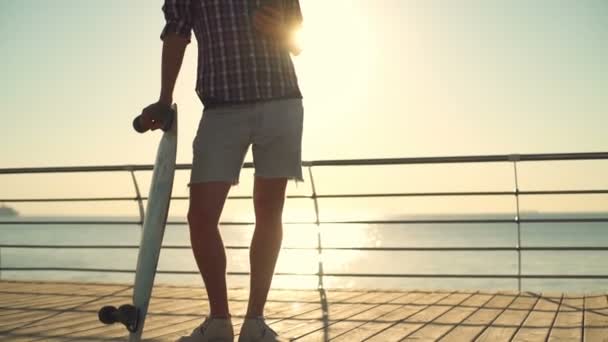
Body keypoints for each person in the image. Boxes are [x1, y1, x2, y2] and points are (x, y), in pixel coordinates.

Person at [138, 1, 304, 341]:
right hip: (221, 108)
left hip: (281, 102)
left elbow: (297, 39)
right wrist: (164, 98)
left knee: (270, 212)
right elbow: (176, 32)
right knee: (200, 217)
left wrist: (281, 32)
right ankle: (219, 322)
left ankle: (255, 323)